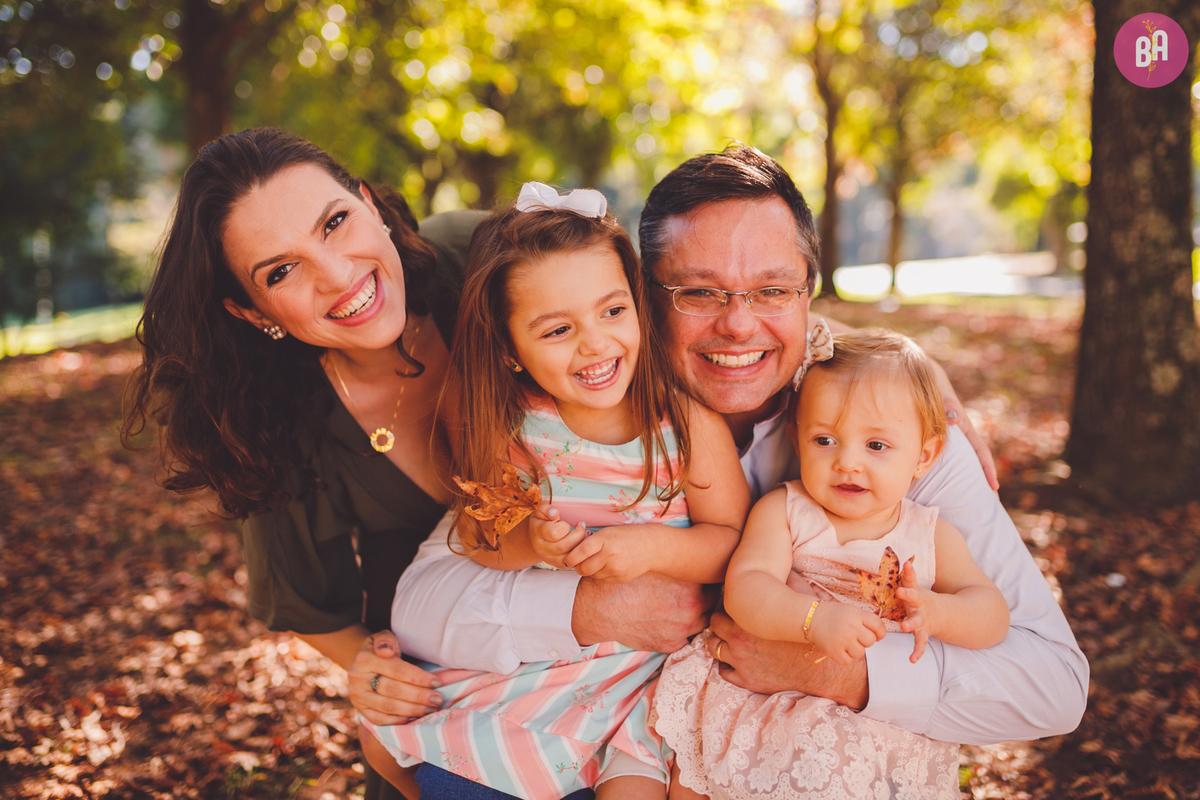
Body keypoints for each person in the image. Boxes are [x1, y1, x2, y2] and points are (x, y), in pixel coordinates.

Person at [388, 145, 1087, 798]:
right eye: (699, 292)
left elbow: (1052, 686)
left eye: (772, 291)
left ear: (810, 293)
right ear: (646, 297)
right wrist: (585, 606)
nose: (739, 327)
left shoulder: (892, 445)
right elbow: (428, 598)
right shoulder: (570, 421)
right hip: (631, 731)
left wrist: (845, 675)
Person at [360, 184, 749, 799]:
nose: (595, 343)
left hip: (650, 675)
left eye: (613, 311)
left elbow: (732, 544)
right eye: (558, 329)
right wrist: (532, 541)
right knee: (409, 745)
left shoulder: (685, 427)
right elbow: (483, 542)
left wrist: (651, 549)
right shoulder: (516, 431)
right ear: (511, 350)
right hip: (549, 665)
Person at [654, 328, 1010, 799]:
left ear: (923, 456)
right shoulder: (785, 510)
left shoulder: (929, 534)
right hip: (765, 705)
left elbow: (992, 613)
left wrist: (939, 612)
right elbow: (745, 587)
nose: (847, 462)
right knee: (702, 774)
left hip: (876, 728)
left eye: (876, 446)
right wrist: (812, 618)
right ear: (797, 438)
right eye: (825, 440)